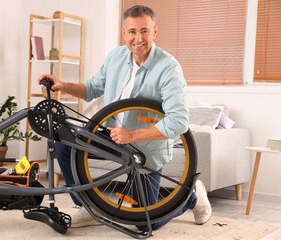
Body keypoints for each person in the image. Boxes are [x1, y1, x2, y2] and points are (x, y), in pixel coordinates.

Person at [38, 5, 212, 231]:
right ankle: (89, 207)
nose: (138, 38)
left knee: (147, 223)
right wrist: (63, 85)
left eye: (144, 31)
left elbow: (178, 121)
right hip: (112, 138)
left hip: (145, 148)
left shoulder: (169, 68)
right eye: (132, 31)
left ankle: (191, 197)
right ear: (124, 33)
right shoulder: (116, 57)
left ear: (155, 32)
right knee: (65, 143)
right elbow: (92, 88)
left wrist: (132, 134)